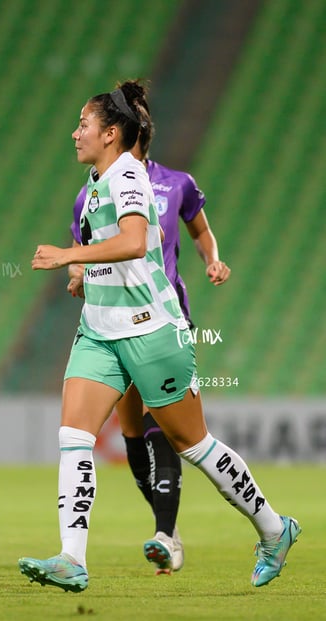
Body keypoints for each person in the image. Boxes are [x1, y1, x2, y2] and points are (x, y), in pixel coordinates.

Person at [18, 80, 301, 593]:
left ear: (110, 133)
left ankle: (275, 529)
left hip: (151, 331)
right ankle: (71, 558)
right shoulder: (94, 183)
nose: (75, 132)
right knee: (74, 437)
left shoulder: (127, 175)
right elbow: (111, 248)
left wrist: (68, 256)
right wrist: (82, 273)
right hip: (100, 333)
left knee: (193, 444)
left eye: (83, 124)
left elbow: (133, 242)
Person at [67, 87, 231, 575]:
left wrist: (212, 260)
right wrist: (77, 273)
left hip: (164, 319)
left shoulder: (174, 183)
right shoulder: (92, 189)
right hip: (113, 324)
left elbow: (199, 230)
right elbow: (84, 246)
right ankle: (168, 527)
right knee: (134, 431)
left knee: (172, 432)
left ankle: (165, 532)